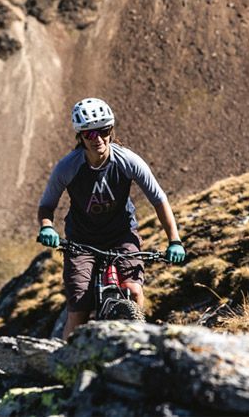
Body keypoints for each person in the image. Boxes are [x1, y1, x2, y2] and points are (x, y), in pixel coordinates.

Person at [35, 97, 187, 339]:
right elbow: (46, 206)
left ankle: (139, 343)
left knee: (134, 292)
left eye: (104, 131)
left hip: (121, 235)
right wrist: (47, 227)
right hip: (81, 241)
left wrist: (175, 240)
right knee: (79, 308)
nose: (98, 139)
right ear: (80, 137)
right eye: (90, 134)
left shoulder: (128, 161)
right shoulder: (68, 167)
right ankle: (64, 359)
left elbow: (159, 199)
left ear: (111, 131)